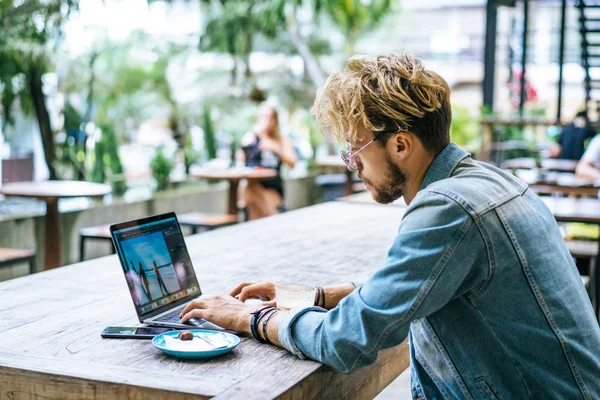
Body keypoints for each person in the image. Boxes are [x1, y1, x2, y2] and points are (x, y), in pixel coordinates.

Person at [180, 54, 600, 398]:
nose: (353, 164)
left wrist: (248, 318)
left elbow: (345, 340)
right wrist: (310, 295)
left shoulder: (448, 209)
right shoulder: (492, 182)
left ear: (401, 144)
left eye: (356, 149)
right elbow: (408, 288)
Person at [238, 103, 297, 220]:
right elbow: (240, 163)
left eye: (270, 117)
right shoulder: (250, 138)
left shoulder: (281, 141)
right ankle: (276, 222)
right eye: (263, 117)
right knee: (252, 189)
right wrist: (254, 138)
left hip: (272, 188)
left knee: (253, 198)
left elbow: (293, 163)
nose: (267, 121)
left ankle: (271, 223)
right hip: (253, 185)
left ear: (275, 120)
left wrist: (276, 149)